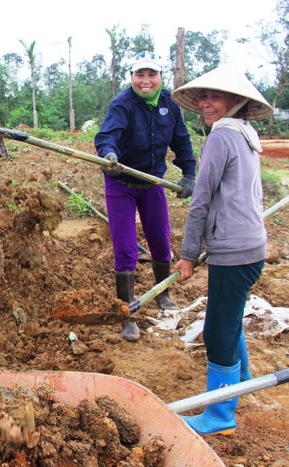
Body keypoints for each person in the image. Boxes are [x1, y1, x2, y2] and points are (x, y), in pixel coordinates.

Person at [171, 64, 274, 436]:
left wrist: (186, 254)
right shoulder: (247, 134)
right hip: (251, 245)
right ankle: (242, 377)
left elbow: (201, 200)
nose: (205, 103)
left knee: (216, 332)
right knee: (228, 320)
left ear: (235, 101)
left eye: (215, 96)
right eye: (203, 97)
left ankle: (220, 414)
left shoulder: (221, 136)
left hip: (234, 250)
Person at [95, 51, 197, 342]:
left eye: (151, 74)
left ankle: (163, 293)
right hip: (121, 183)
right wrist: (109, 154)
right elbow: (107, 136)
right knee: (126, 249)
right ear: (131, 77)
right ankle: (126, 314)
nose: (145, 81)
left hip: (152, 182)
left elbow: (181, 140)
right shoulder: (122, 104)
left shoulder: (169, 104)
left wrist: (188, 172)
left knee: (161, 242)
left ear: (160, 76)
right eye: (140, 74)